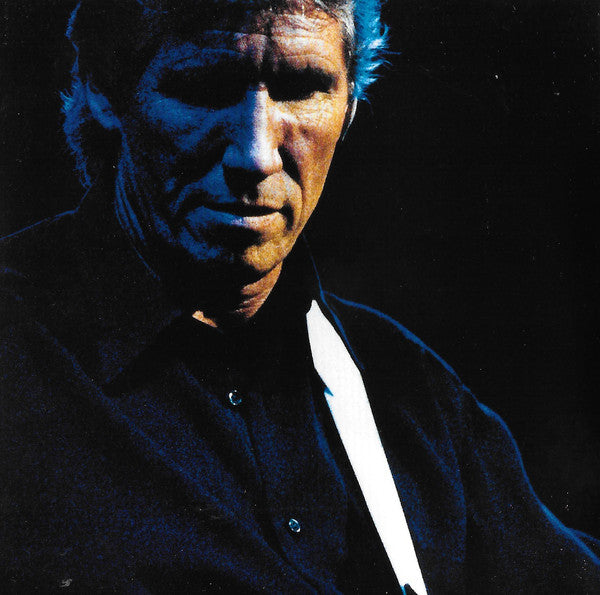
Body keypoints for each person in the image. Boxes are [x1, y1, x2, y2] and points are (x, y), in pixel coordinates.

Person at [0, 0, 598, 592]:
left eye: (302, 89)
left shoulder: (413, 396)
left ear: (350, 105)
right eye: (206, 87)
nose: (255, 155)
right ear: (104, 90)